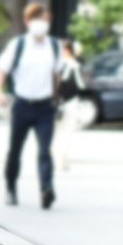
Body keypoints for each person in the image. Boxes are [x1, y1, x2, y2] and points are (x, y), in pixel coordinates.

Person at [0, 2, 65, 209]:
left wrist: (56, 97)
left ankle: (46, 189)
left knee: (45, 150)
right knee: (15, 150)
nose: (41, 24)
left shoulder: (54, 46)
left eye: (45, 20)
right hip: (22, 105)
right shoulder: (18, 45)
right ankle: (10, 188)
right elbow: (1, 72)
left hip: (45, 107)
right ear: (27, 21)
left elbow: (57, 74)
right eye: (37, 20)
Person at [53, 38, 87, 172]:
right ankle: (61, 160)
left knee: (57, 133)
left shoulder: (58, 64)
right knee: (65, 133)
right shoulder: (74, 65)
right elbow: (81, 86)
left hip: (58, 103)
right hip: (70, 102)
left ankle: (57, 159)